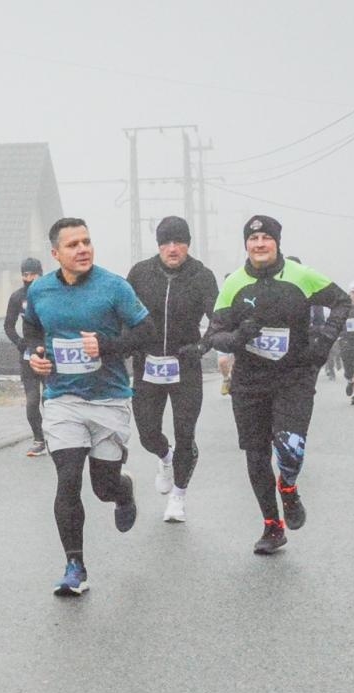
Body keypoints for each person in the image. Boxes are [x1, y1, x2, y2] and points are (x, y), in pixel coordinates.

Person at [189, 215, 351, 554]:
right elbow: (215, 333)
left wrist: (323, 341)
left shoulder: (300, 276)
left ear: (277, 242)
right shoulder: (234, 283)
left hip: (293, 377)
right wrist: (237, 337)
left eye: (266, 237)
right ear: (246, 245)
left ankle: (289, 488)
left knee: (290, 450)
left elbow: (341, 301)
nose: (259, 244)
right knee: (256, 455)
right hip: (249, 382)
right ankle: (272, 526)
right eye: (253, 239)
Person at [25, 217, 153, 593]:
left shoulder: (114, 287)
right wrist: (35, 355)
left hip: (109, 398)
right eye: (73, 244)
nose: (82, 249)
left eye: (86, 241)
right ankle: (74, 565)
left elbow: (146, 331)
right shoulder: (41, 291)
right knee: (67, 481)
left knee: (103, 486)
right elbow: (31, 328)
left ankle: (122, 490)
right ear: (55, 254)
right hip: (63, 398)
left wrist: (107, 345)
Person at [125, 216, 220, 523]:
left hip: (185, 365)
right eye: (166, 242)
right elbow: (123, 313)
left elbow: (216, 318)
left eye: (179, 241)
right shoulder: (140, 273)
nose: (173, 248)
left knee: (185, 433)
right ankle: (163, 457)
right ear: (158, 246)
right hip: (147, 365)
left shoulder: (202, 275)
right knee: (147, 433)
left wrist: (203, 346)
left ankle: (178, 496)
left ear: (188, 245)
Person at [4, 257, 48, 456]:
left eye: (32, 274)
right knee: (32, 401)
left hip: (50, 355)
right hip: (29, 356)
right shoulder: (17, 297)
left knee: (51, 400)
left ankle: (56, 436)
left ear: (40, 273)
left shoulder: (51, 292)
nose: (29, 278)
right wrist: (20, 343)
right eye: (25, 274)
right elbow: (8, 326)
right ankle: (38, 439)